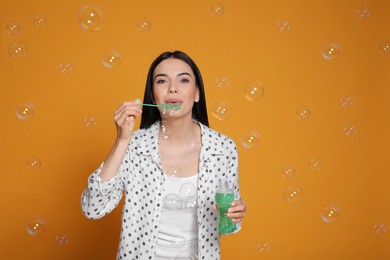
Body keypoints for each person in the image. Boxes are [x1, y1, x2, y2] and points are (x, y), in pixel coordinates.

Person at [81, 50, 246, 260]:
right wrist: (122, 141)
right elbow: (92, 208)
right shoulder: (135, 146)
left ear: (197, 94)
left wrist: (234, 215)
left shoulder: (223, 148)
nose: (172, 88)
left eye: (183, 80)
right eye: (162, 81)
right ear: (152, 96)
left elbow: (228, 225)